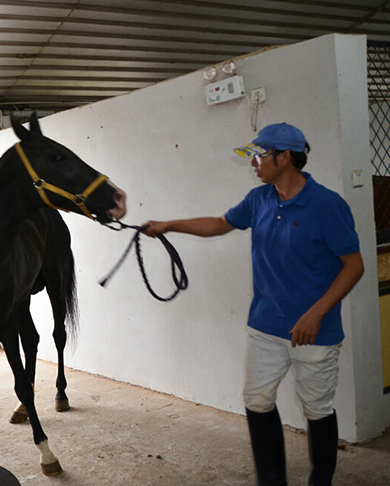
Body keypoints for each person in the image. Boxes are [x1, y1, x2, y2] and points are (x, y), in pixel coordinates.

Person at [143, 123, 364, 486]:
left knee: (317, 408)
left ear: (286, 158)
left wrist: (315, 313)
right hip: (265, 325)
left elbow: (354, 266)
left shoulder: (327, 205)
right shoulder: (259, 199)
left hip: (314, 332)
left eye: (260, 155)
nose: (254, 163)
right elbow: (219, 224)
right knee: (257, 401)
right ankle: (271, 481)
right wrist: (169, 225)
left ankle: (320, 482)